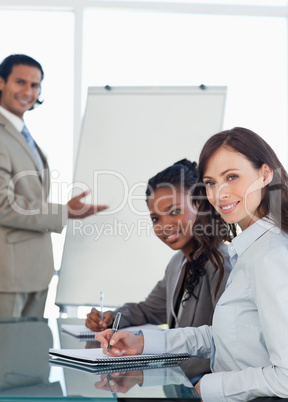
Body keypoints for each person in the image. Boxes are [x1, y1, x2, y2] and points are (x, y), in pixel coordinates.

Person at [96, 127, 288, 401]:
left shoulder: (271, 257)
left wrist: (209, 387)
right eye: (210, 182)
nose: (220, 193)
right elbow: (223, 337)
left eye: (232, 177)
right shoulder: (248, 251)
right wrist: (143, 342)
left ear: (265, 174)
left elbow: (286, 376)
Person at [87, 159, 232, 380]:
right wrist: (110, 319)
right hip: (177, 380)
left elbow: (226, 343)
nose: (164, 225)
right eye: (156, 218)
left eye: (174, 211)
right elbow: (147, 311)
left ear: (200, 205)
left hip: (206, 386)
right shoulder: (178, 263)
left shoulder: (222, 263)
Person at [0, 54, 108, 317]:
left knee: (25, 352)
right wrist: (64, 212)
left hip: (31, 272)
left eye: (35, 85)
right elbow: (3, 204)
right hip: (9, 276)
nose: (28, 91)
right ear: (1, 82)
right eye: (20, 82)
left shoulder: (19, 131)